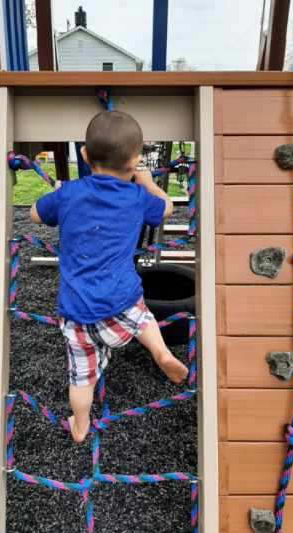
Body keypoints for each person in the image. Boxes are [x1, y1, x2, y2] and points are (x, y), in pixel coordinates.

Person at [31, 110, 188, 443]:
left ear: (85, 156)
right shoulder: (136, 197)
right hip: (121, 304)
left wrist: (58, 193)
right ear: (134, 162)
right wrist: (147, 183)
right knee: (143, 317)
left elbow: (34, 213)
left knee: (81, 378)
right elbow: (167, 208)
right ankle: (160, 352)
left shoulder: (70, 194)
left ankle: (81, 422)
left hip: (76, 313)